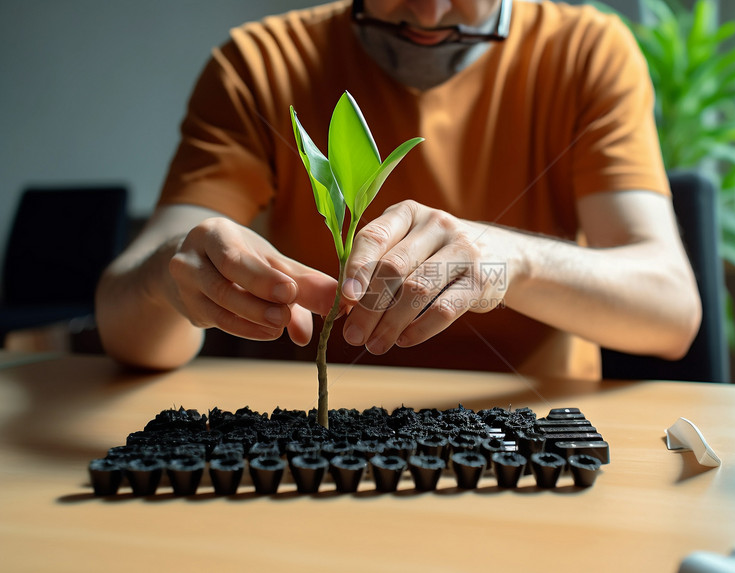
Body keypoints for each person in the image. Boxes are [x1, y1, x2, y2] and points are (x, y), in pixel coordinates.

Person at [95, 0, 701, 380]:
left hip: (524, 428)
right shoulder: (258, 64)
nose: (432, 14)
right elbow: (129, 326)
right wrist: (170, 276)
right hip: (313, 446)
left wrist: (510, 260)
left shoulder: (586, 52)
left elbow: (670, 312)